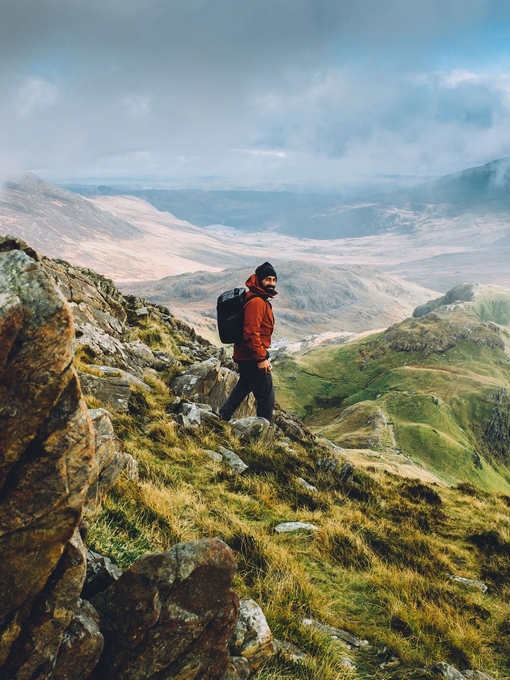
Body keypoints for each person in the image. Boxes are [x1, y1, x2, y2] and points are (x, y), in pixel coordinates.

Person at [219, 262, 277, 423]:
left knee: (244, 385)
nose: (271, 283)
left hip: (245, 355)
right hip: (252, 357)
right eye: (267, 279)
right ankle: (261, 436)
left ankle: (223, 416)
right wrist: (260, 358)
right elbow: (251, 332)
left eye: (273, 279)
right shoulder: (257, 302)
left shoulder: (259, 299)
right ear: (259, 280)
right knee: (266, 399)